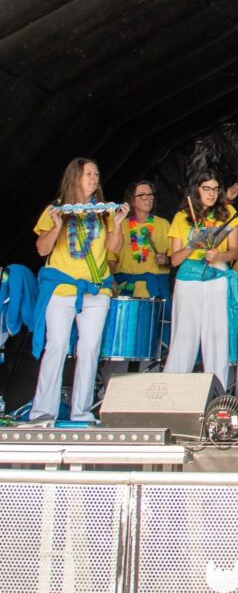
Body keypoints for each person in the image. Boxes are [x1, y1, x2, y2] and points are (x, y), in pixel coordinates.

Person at [30, 158, 128, 422]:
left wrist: (117, 225)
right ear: (75, 178)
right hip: (61, 290)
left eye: (96, 174)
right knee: (57, 346)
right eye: (88, 174)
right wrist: (57, 226)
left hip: (96, 292)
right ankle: (43, 411)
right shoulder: (56, 209)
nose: (94, 178)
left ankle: (81, 412)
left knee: (90, 349)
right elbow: (42, 249)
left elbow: (115, 248)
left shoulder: (106, 211)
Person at [164, 171, 238, 388]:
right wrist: (191, 245)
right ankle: (172, 391)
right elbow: (174, 260)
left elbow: (235, 251)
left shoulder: (228, 213)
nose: (212, 193)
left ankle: (217, 393)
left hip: (217, 275)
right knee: (185, 334)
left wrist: (219, 255)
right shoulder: (182, 216)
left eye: (216, 189)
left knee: (216, 335)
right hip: (188, 278)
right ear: (197, 189)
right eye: (207, 188)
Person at [109, 181, 171, 300]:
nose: (149, 198)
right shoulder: (120, 224)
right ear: (132, 200)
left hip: (156, 288)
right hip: (125, 288)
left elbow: (174, 258)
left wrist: (166, 259)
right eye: (143, 195)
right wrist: (110, 280)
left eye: (150, 194)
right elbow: (111, 260)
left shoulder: (163, 224)